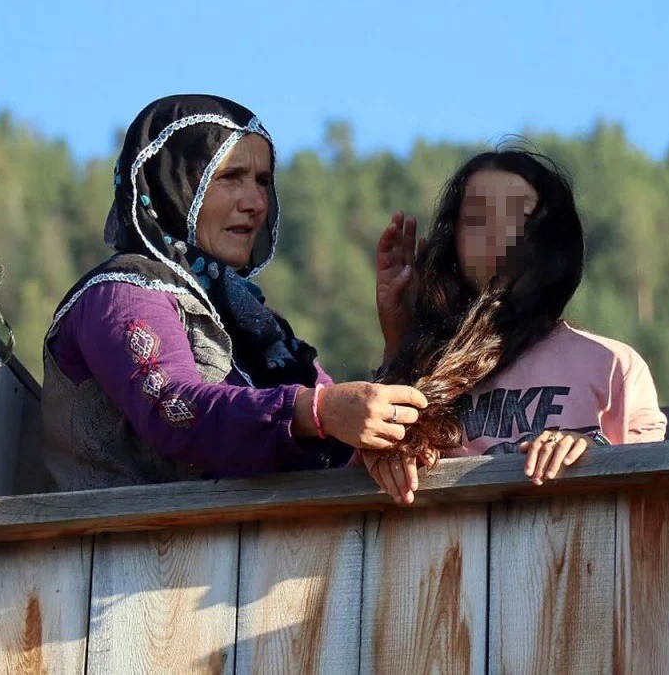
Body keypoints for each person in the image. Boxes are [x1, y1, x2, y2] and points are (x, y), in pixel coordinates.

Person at [41, 94, 427, 492]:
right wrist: (318, 411)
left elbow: (341, 437)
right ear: (171, 182)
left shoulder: (255, 327)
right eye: (230, 177)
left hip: (254, 549)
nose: (256, 203)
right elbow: (175, 412)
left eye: (262, 181)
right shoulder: (121, 292)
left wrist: (399, 338)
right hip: (125, 549)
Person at [365, 147, 667, 503]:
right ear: (454, 244)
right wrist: (402, 339)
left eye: (518, 218)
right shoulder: (430, 372)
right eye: (477, 219)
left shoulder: (613, 365)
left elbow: (654, 481)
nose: (497, 234)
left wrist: (591, 451)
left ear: (553, 239)